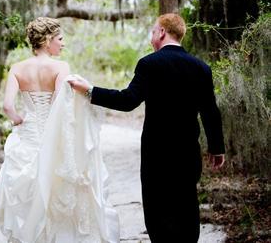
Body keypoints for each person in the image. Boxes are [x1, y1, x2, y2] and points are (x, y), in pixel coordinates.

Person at [69, 13, 226, 242]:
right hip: (187, 153)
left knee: (158, 212)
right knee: (186, 208)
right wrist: (217, 147)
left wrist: (90, 90)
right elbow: (210, 111)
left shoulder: (149, 64)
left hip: (157, 154)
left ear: (162, 32)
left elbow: (127, 100)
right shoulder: (201, 68)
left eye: (153, 32)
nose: (152, 37)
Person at [0, 17, 119, 243]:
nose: (63, 43)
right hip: (53, 136)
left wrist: (19, 120)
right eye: (60, 39)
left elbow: (7, 106)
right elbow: (62, 108)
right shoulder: (60, 67)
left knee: (30, 193)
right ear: (48, 39)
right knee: (55, 187)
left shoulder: (17, 68)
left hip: (28, 136)